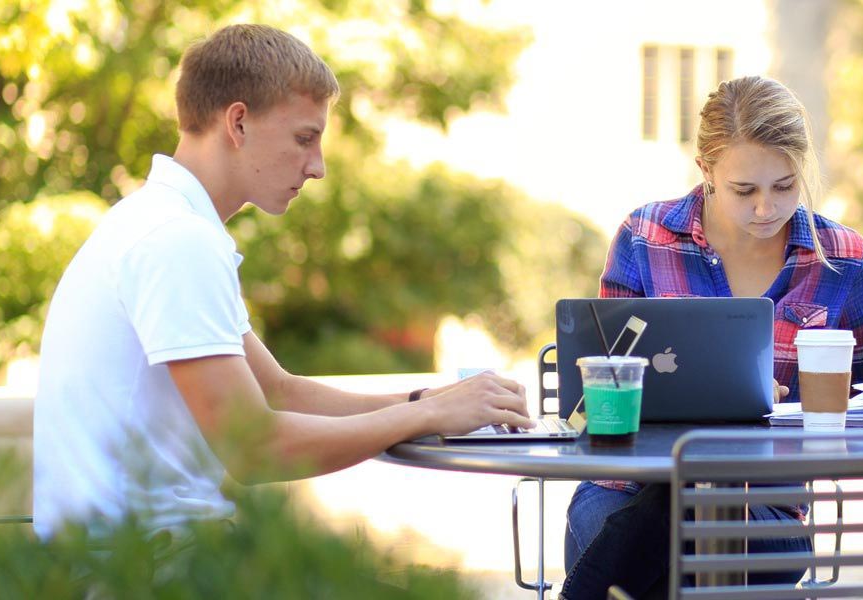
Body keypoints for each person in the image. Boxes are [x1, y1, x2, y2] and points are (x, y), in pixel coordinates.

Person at [32, 24, 532, 540]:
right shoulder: (176, 242)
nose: (317, 168)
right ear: (239, 123)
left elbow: (278, 391)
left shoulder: (156, 221)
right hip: (145, 572)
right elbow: (254, 448)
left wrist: (428, 400)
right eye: (304, 138)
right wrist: (428, 416)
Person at [559, 75, 863, 599]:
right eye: (744, 190)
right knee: (676, 523)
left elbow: (862, 397)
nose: (766, 209)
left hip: (766, 502)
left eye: (784, 186)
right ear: (706, 171)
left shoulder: (842, 259)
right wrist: (720, 402)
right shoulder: (644, 238)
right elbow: (594, 396)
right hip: (627, 487)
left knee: (686, 537)